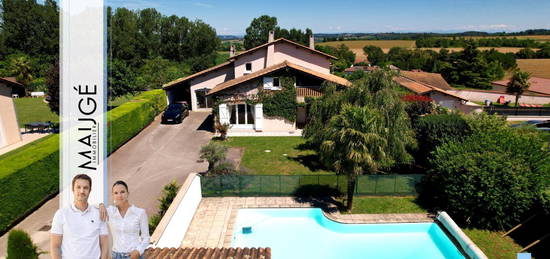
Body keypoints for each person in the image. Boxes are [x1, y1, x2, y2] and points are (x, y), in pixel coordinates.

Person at [50, 174, 109, 259]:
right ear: (72, 189)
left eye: (85, 188)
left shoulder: (99, 213)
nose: (82, 191)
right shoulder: (61, 214)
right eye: (78, 187)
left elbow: (104, 244)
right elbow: (55, 246)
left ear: (90, 190)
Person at [100, 180, 150, 259]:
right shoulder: (110, 212)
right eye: (116, 193)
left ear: (128, 193)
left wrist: (138, 251)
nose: (119, 195)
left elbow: (146, 237)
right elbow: (92, 207)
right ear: (113, 195)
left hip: (134, 255)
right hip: (116, 256)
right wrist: (101, 205)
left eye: (122, 192)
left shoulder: (140, 212)